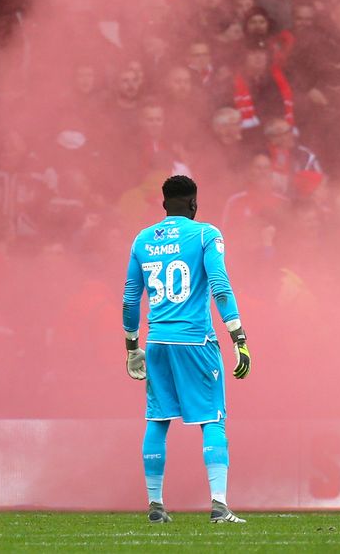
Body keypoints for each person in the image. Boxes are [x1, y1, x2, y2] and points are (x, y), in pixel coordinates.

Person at [123, 175, 250, 525]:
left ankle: (155, 504)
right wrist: (238, 336)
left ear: (164, 204)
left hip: (157, 342)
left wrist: (132, 347)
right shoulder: (206, 234)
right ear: (194, 204)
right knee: (213, 419)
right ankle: (219, 504)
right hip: (195, 341)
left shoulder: (142, 239)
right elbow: (220, 285)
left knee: (157, 419)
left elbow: (131, 297)